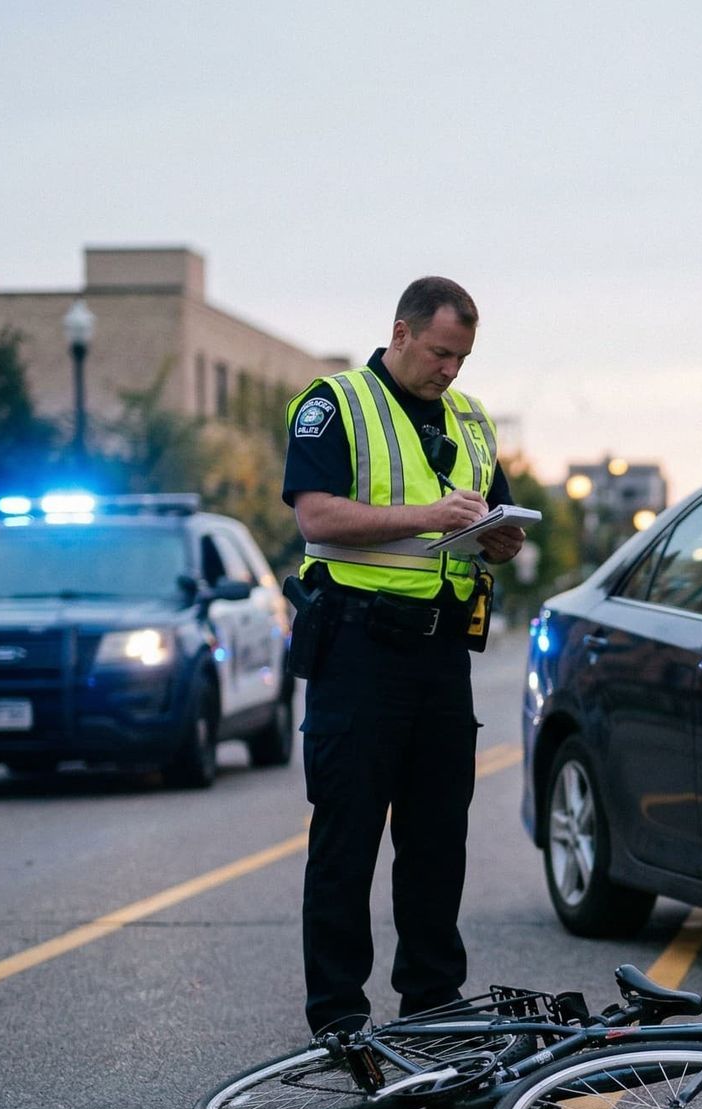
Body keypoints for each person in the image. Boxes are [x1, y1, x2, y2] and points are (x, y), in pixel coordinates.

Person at [281, 276, 526, 1035]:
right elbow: (314, 514)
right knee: (347, 838)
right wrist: (427, 517)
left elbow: (495, 516)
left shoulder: (471, 420)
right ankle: (338, 1015)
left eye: (463, 358)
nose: (451, 370)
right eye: (442, 353)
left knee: (435, 840)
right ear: (403, 331)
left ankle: (432, 1002)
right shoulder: (337, 402)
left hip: (441, 655)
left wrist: (504, 540)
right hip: (359, 647)